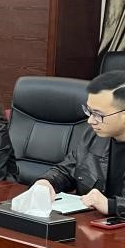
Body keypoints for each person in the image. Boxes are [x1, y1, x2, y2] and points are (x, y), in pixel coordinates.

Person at [34, 70, 125, 215]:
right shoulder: (93, 136)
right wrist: (47, 182)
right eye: (89, 111)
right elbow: (68, 169)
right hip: (92, 223)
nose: (90, 120)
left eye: (98, 114)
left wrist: (112, 206)